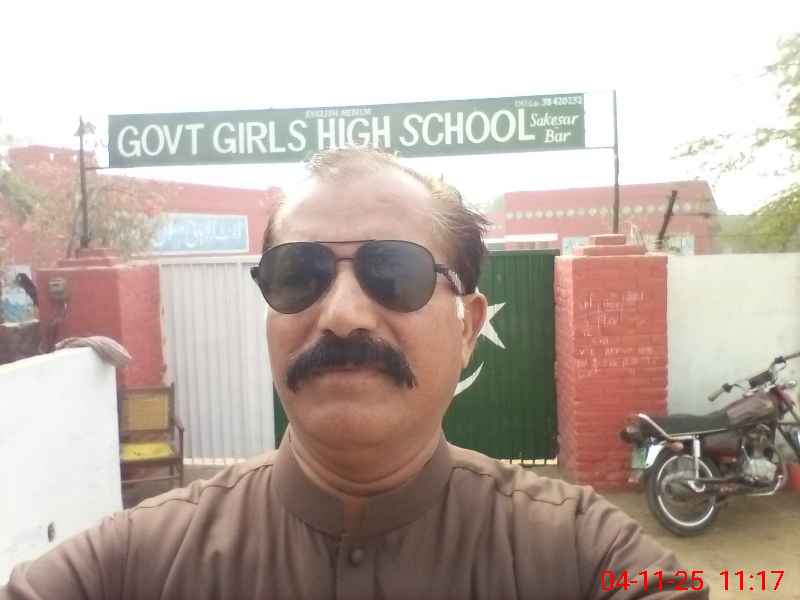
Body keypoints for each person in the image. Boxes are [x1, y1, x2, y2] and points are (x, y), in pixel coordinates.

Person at [1, 148, 705, 599]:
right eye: (298, 274)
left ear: (467, 327)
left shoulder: (581, 554)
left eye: (392, 272)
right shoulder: (135, 565)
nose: (341, 315)